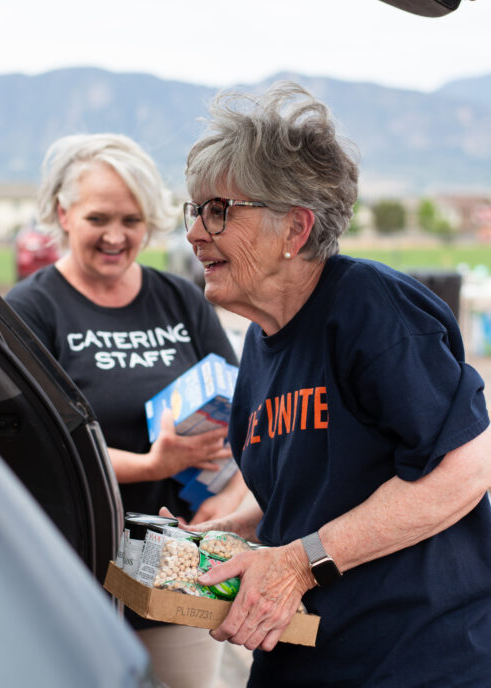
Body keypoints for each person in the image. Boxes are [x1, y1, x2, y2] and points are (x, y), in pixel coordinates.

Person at [177, 82, 491, 687]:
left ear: (294, 229)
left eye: (218, 210)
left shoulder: (371, 311)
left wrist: (298, 564)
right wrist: (223, 536)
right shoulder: (263, 343)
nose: (195, 233)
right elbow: (305, 490)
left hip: (417, 663)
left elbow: (464, 469)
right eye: (194, 210)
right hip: (307, 662)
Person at [6, 133, 245, 688]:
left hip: (175, 566)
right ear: (63, 213)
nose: (116, 236)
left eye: (132, 220)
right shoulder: (32, 309)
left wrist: (228, 504)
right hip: (77, 567)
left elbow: (245, 412)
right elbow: (30, 451)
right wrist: (150, 467)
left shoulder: (181, 299)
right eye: (99, 218)